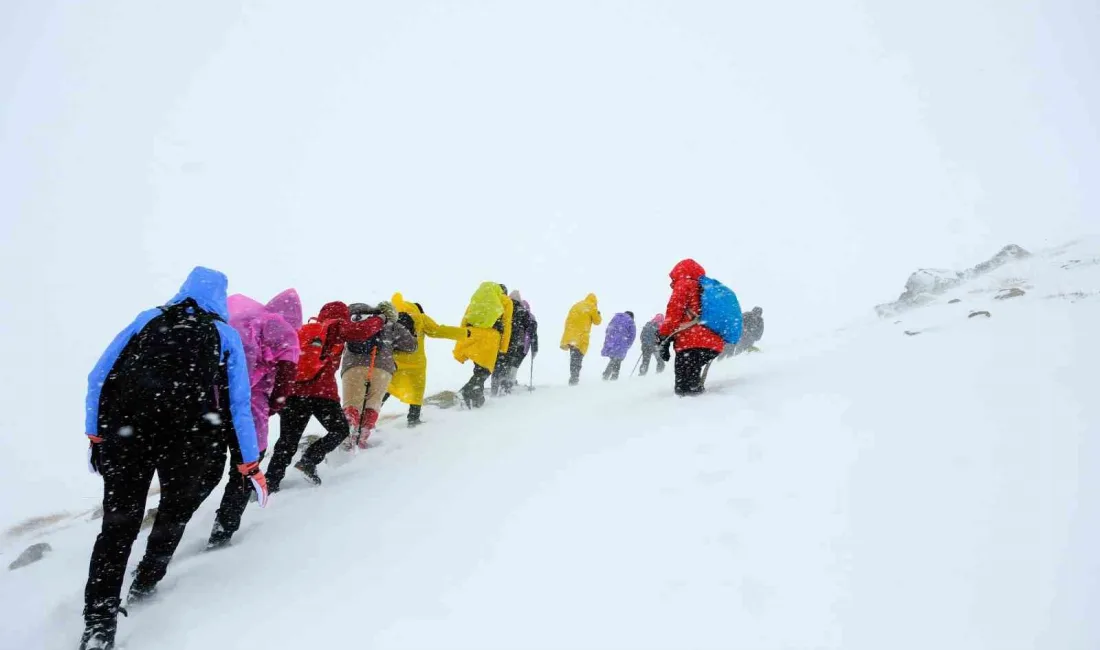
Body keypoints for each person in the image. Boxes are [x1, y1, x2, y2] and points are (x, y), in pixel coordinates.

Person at [80, 267, 265, 650]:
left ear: (184, 289)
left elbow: (98, 375)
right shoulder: (223, 333)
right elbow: (238, 405)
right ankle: (148, 577)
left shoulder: (149, 318)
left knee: (118, 525)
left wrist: (95, 431)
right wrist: (248, 461)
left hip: (128, 430)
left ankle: (99, 623)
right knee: (174, 510)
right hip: (188, 435)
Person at [206, 289, 302, 550]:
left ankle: (174, 524)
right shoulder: (279, 328)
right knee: (247, 467)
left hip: (210, 407)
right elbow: (286, 373)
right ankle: (223, 529)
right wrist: (275, 403)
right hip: (249, 412)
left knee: (208, 467)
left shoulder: (232, 320)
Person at [263, 302, 383, 492]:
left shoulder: (302, 330)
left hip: (293, 394)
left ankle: (270, 482)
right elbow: (362, 331)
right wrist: (381, 319)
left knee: (287, 441)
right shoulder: (335, 326)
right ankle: (309, 459)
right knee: (339, 430)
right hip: (322, 394)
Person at [324, 301, 417, 455]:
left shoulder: (352, 320)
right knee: (372, 405)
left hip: (353, 366)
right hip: (382, 367)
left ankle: (347, 440)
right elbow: (412, 346)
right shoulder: (388, 323)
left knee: (352, 405)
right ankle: (362, 438)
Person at [387, 293, 467, 426]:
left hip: (393, 361)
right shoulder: (421, 318)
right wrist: (463, 333)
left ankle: (368, 417)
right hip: (415, 362)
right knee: (417, 390)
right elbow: (439, 330)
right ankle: (413, 419)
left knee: (387, 388)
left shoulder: (390, 318)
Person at [657, 259, 726, 396]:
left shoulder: (684, 284)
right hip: (712, 343)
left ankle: (689, 410)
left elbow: (673, 313)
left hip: (690, 342)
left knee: (684, 389)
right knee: (692, 381)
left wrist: (664, 337)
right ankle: (698, 405)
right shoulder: (705, 287)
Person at [454, 282, 513, 408]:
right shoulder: (506, 301)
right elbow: (507, 325)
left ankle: (477, 400)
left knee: (478, 367)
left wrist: (462, 339)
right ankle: (466, 390)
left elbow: (465, 319)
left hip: (473, 334)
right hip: (490, 337)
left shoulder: (478, 299)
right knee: (485, 370)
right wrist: (503, 347)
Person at [492, 290, 535, 395]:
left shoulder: (504, 308)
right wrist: (533, 344)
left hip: (502, 342)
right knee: (512, 364)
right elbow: (530, 328)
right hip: (518, 344)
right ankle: (507, 385)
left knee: (499, 364)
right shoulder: (523, 311)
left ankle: (496, 385)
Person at [560, 293, 601, 385]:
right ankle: (574, 379)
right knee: (578, 358)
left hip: (571, 336)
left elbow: (569, 320)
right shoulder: (592, 306)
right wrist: (598, 313)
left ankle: (573, 378)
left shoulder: (576, 305)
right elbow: (597, 321)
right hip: (581, 336)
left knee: (574, 358)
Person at [600, 311, 636, 381]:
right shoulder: (630, 321)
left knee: (614, 359)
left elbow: (608, 329)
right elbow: (632, 335)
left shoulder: (616, 318)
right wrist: (627, 345)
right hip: (621, 343)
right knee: (617, 360)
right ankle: (613, 377)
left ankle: (607, 375)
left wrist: (608, 340)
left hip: (611, 342)